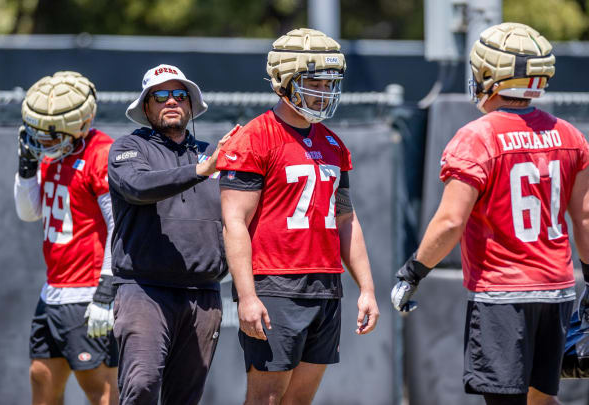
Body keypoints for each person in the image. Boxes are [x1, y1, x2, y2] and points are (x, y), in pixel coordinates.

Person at [391, 23, 589, 405]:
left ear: (488, 75)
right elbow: (583, 220)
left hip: (503, 294)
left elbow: (450, 221)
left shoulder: (476, 136)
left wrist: (412, 272)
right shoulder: (570, 136)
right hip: (557, 289)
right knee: (541, 399)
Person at [217, 28, 380, 405]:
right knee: (267, 399)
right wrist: (246, 296)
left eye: (329, 82)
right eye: (314, 82)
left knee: (299, 400)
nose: (323, 91)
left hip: (325, 285)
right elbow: (234, 222)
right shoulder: (255, 137)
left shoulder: (334, 144)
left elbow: (345, 219)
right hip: (276, 284)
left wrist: (367, 289)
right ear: (283, 82)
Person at [85, 63, 239, 405]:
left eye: (180, 95)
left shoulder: (214, 155)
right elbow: (138, 186)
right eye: (161, 95)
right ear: (146, 106)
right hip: (144, 289)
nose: (172, 101)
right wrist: (200, 170)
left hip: (203, 294)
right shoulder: (128, 148)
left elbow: (238, 219)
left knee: (184, 398)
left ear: (190, 104)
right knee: (141, 386)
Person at [13, 71, 119, 405]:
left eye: (50, 133)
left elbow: (120, 226)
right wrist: (27, 168)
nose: (41, 141)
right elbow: (29, 213)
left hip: (87, 292)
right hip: (54, 290)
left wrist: (106, 290)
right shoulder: (52, 156)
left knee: (100, 390)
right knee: (42, 379)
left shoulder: (101, 153)